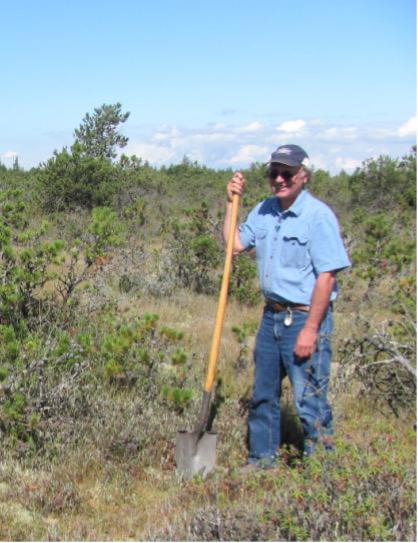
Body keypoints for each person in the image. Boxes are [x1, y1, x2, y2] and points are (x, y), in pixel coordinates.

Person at [224, 144, 351, 468]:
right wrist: (230, 203)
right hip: (272, 317)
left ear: (303, 176)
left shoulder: (317, 216)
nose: (279, 179)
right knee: (264, 395)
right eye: (274, 173)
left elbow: (327, 278)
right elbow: (234, 244)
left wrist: (310, 330)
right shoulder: (264, 210)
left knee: (309, 400)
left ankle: (323, 475)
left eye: (287, 173)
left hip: (305, 319)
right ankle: (261, 462)